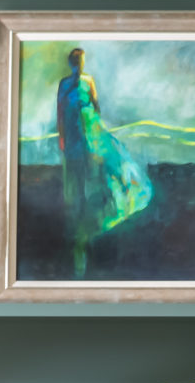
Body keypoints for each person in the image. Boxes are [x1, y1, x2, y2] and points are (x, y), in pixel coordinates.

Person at [54, 46, 153, 278]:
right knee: (76, 172)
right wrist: (61, 135)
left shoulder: (88, 81)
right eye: (76, 62)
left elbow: (96, 107)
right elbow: (60, 111)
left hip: (88, 131)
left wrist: (95, 130)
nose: (79, 66)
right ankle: (77, 214)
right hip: (72, 133)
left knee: (96, 168)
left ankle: (100, 206)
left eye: (82, 62)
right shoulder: (64, 84)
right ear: (71, 63)